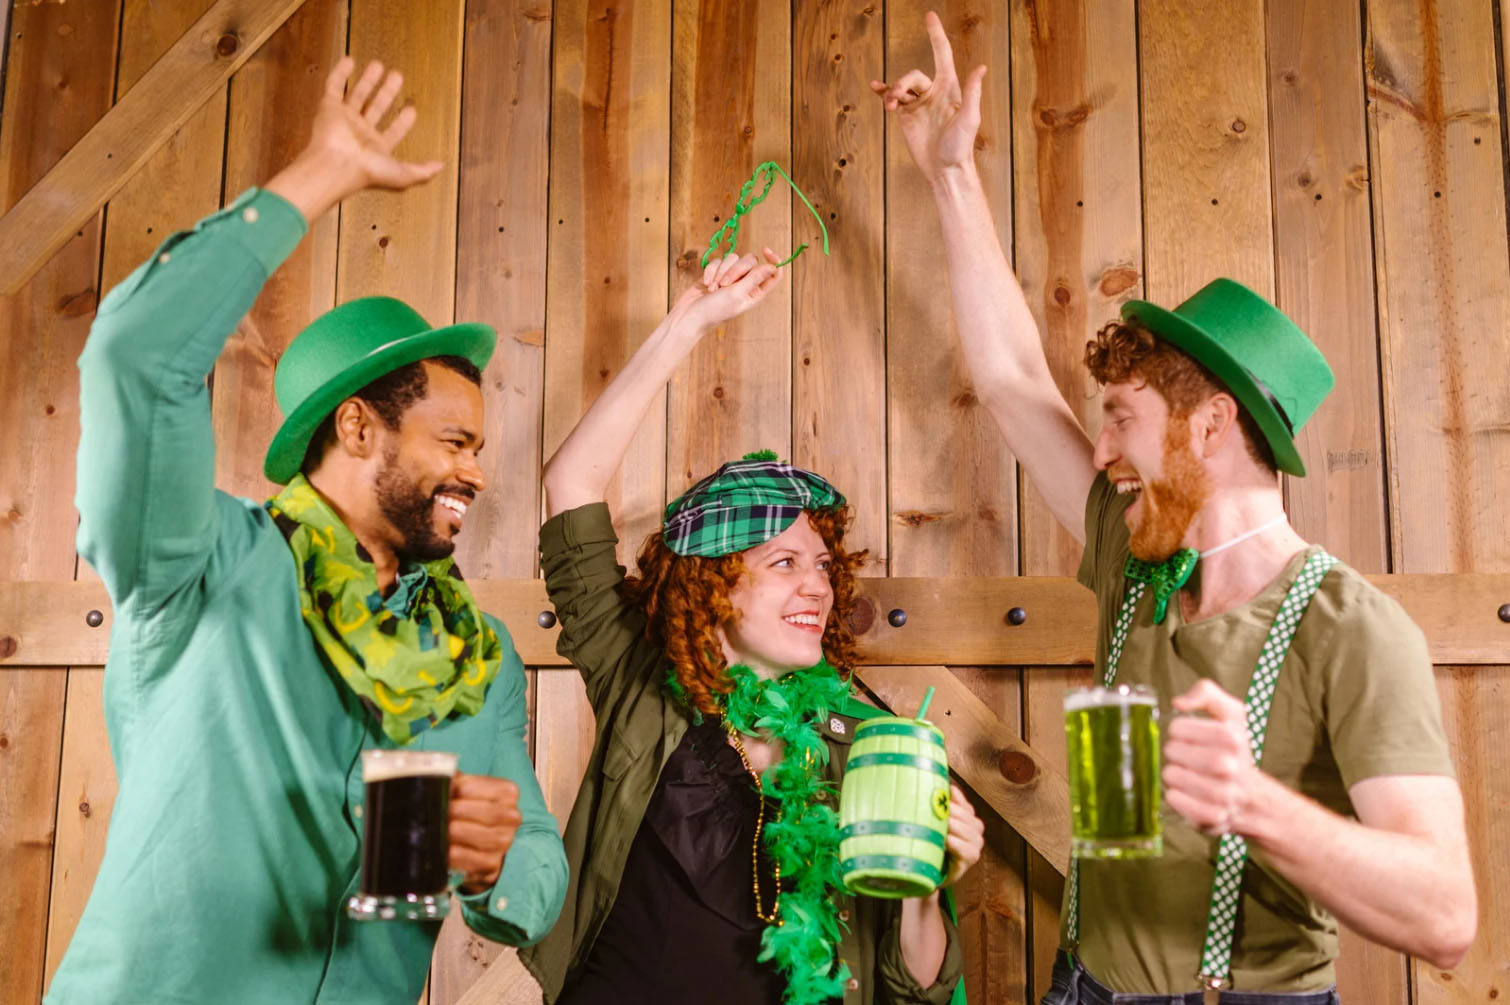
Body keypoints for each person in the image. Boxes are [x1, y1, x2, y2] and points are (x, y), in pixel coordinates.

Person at [873, 13, 1477, 1002]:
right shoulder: (1135, 559)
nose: (1097, 450)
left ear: (1208, 427)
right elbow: (1013, 376)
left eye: (1121, 420)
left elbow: (1446, 919)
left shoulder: (1351, 633)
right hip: (1080, 986)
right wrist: (948, 173)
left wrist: (1258, 807)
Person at [47, 58, 567, 1004]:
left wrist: (496, 871)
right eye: (454, 439)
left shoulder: (475, 655)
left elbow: (534, 855)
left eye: (480, 446)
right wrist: (317, 175)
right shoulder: (200, 561)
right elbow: (135, 356)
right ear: (358, 426)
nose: (478, 472)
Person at [517, 248, 986, 1005]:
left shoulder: (869, 740)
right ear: (712, 585)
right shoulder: (641, 679)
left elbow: (920, 992)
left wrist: (927, 890)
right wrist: (690, 319)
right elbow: (571, 485)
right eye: (784, 562)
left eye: (825, 565)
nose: (818, 586)